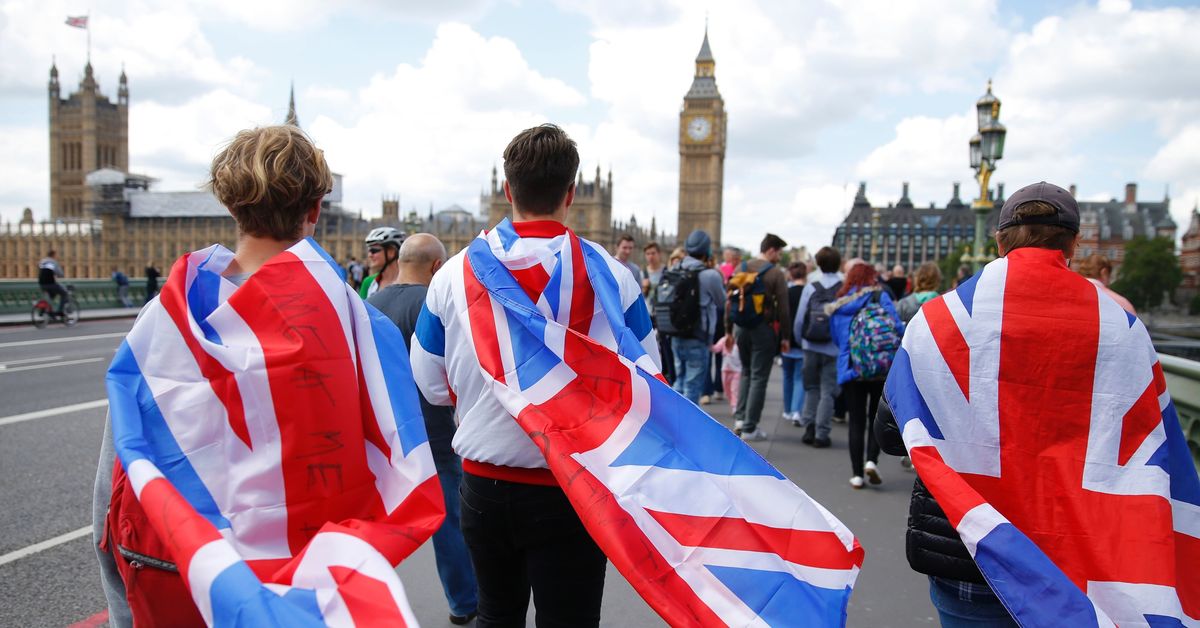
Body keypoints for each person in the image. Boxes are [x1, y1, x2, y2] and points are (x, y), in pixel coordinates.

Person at [93, 125, 440, 626]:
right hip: (305, 589)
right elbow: (393, 466)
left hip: (188, 578)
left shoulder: (165, 321)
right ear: (316, 209)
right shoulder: (358, 323)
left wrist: (125, 611)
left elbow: (121, 476)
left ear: (231, 207)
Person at [875, 181, 1200, 626]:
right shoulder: (1122, 330)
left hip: (972, 553)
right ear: (1074, 243)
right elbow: (1150, 452)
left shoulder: (937, 319)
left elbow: (893, 435)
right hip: (1075, 566)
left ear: (999, 240)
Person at [411, 124, 659, 627]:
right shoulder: (616, 276)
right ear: (571, 193)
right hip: (577, 488)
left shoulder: (452, 274)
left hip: (484, 485)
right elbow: (650, 381)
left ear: (507, 190)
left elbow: (430, 383)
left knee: (495, 615)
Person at [367, 233, 478, 625]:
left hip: (382, 432)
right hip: (432, 430)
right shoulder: (431, 307)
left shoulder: (370, 304)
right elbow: (453, 372)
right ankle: (464, 600)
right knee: (448, 519)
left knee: (376, 522)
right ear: (436, 267)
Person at [827, 263, 902, 489]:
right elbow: (896, 327)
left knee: (856, 422)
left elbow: (837, 339)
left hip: (852, 368)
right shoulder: (880, 297)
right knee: (874, 418)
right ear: (872, 278)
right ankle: (871, 460)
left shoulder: (840, 303)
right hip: (880, 366)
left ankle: (857, 474)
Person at [726, 233, 790, 441]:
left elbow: (729, 301)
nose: (779, 257)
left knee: (745, 372)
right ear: (771, 250)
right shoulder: (775, 274)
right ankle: (750, 427)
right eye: (779, 253)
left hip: (741, 327)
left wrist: (728, 330)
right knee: (759, 377)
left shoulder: (741, 268)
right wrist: (785, 337)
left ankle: (740, 419)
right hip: (763, 329)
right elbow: (784, 309)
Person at [793, 246, 844, 447]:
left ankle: (809, 426)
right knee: (827, 391)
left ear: (819, 263)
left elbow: (799, 318)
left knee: (811, 387)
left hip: (810, 344)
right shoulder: (843, 287)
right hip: (833, 346)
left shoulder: (811, 286)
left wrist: (801, 339)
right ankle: (822, 434)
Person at [671, 230, 726, 405]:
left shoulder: (674, 269)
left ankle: (672, 426)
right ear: (706, 251)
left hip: (675, 334)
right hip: (698, 336)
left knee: (679, 381)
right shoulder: (709, 275)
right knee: (693, 387)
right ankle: (684, 429)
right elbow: (721, 301)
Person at [642, 241, 673, 383]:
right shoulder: (642, 273)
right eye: (648, 254)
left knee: (666, 346)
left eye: (653, 253)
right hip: (647, 313)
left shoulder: (667, 272)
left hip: (663, 314)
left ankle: (667, 375)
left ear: (659, 254)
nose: (651, 257)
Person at [781, 261, 807, 424]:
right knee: (799, 377)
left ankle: (787, 409)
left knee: (787, 376)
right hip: (804, 340)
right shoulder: (808, 292)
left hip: (786, 339)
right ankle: (797, 410)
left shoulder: (786, 293)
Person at [358, 226, 404, 298]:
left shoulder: (409, 282)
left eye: (374, 251)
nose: (370, 255)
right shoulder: (368, 282)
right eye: (369, 251)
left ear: (391, 252)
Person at [711, 331, 742, 412]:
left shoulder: (740, 340)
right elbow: (716, 349)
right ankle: (733, 403)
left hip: (737, 371)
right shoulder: (724, 339)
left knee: (734, 390)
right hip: (725, 370)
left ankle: (735, 407)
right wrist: (708, 344)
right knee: (727, 390)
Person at [38, 250, 67, 314]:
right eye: (56, 255)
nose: (57, 256)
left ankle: (45, 309)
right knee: (64, 294)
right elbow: (60, 273)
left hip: (41, 283)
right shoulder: (53, 262)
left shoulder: (42, 261)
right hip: (50, 283)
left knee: (52, 295)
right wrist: (61, 275)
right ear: (53, 255)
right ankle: (60, 311)